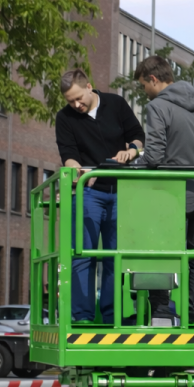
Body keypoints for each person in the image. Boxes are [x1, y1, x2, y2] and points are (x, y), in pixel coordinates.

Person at [134, 55, 194, 323]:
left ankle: (161, 313)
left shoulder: (158, 107)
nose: (145, 92)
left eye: (144, 86)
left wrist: (135, 166)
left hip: (171, 194)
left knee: (161, 252)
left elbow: (153, 156)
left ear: (153, 79)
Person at [55, 69, 145, 323]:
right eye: (70, 101)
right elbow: (68, 153)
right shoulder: (64, 118)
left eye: (78, 98)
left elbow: (138, 136)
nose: (76, 105)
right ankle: (82, 316)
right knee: (83, 255)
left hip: (122, 191)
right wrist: (74, 167)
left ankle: (112, 315)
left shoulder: (116, 104)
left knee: (115, 257)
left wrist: (132, 152)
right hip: (89, 192)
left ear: (90, 87)